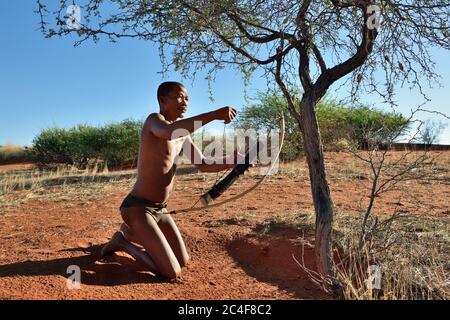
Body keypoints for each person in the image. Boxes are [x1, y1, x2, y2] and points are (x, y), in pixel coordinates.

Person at [100, 81, 238, 279]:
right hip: (138, 208)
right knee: (172, 272)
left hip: (160, 209)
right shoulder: (154, 121)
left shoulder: (182, 136)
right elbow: (166, 133)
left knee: (183, 261)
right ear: (163, 100)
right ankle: (122, 242)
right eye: (180, 96)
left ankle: (134, 235)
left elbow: (205, 165)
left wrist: (234, 161)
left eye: (188, 98)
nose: (185, 101)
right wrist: (214, 114)